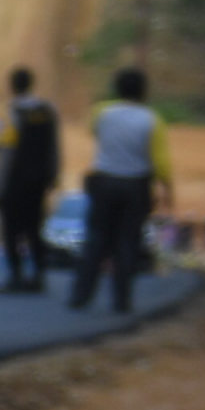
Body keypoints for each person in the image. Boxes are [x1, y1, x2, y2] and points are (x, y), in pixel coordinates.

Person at [75, 66, 171, 313]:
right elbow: (160, 162)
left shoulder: (102, 112)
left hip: (104, 181)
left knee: (96, 239)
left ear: (117, 89)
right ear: (144, 91)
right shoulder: (152, 120)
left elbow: (92, 131)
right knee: (127, 242)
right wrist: (167, 189)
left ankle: (81, 295)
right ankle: (121, 300)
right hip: (135, 186)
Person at [0, 67, 60, 293]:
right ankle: (38, 275)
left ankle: (16, 276)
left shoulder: (12, 113)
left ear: (12, 86)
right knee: (34, 228)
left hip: (15, 182)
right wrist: (52, 175)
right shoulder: (47, 111)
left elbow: (6, 153)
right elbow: (54, 147)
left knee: (12, 230)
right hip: (38, 182)